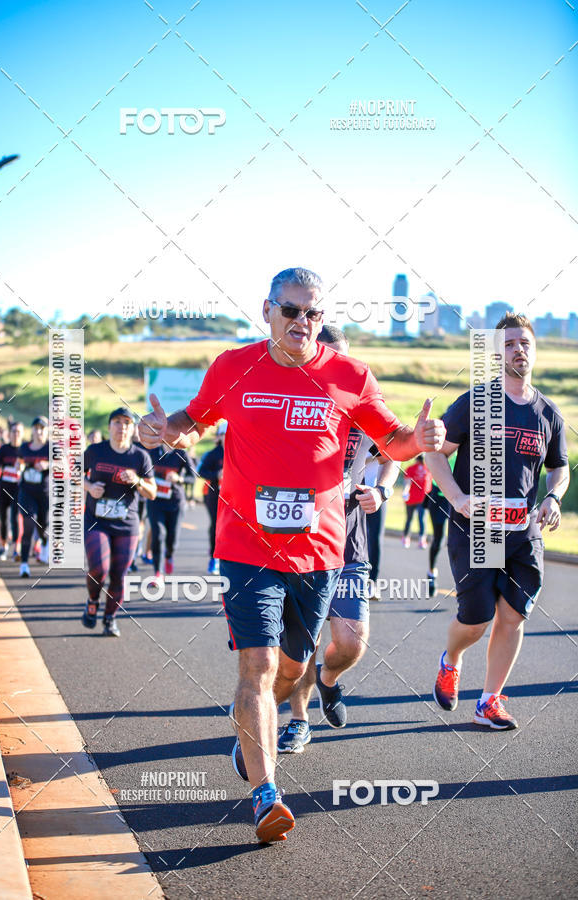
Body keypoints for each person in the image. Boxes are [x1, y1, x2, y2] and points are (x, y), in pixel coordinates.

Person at [138, 267, 445, 843]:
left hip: (321, 552)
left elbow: (393, 439)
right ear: (267, 310)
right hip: (245, 548)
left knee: (294, 669)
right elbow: (194, 419)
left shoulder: (350, 375)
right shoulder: (234, 366)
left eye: (313, 313)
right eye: (291, 310)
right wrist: (166, 430)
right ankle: (265, 795)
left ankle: (249, 738)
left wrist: (419, 441)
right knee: (256, 666)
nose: (302, 322)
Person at [427, 313, 569, 729]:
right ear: (495, 353)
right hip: (476, 530)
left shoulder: (549, 413)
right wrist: (455, 496)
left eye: (524, 343)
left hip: (524, 532)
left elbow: (560, 467)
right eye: (508, 345)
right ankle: (451, 660)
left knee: (513, 616)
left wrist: (554, 496)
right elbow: (434, 451)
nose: (518, 350)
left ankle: (489, 700)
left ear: (534, 349)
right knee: (477, 619)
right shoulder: (475, 401)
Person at [276, 325, 398, 753]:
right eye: (328, 355)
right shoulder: (289, 405)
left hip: (347, 540)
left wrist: (381, 490)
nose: (335, 365)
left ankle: (329, 679)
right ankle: (297, 721)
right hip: (295, 543)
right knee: (300, 642)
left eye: (342, 357)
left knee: (350, 642)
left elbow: (394, 453)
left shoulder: (361, 405)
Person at [82, 408, 156, 637]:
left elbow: (152, 493)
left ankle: (110, 618)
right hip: (98, 521)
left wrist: (137, 481)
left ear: (133, 429)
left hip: (127, 525)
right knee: (99, 568)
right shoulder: (95, 451)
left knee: (118, 574)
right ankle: (93, 600)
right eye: (116, 422)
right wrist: (89, 487)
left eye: (127, 422)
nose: (121, 426)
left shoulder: (140, 457)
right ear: (109, 426)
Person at [147, 444, 191, 582]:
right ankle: (158, 573)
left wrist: (179, 479)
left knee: (172, 538)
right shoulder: (152, 452)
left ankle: (169, 555)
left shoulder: (181, 454)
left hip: (175, 502)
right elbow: (141, 471)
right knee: (158, 535)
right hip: (155, 500)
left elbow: (193, 477)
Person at [17, 417, 50, 576]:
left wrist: (47, 465)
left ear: (47, 431)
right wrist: (19, 465)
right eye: (36, 428)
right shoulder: (24, 447)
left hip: (44, 493)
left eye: (42, 429)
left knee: (42, 525)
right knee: (29, 523)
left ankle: (44, 542)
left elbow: (63, 465)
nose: (39, 432)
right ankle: (24, 564)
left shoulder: (51, 448)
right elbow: (19, 462)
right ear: (32, 431)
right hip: (26, 492)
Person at [0, 421, 24, 560]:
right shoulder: (4, 449)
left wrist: (22, 468)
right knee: (3, 518)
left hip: (18, 488)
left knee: (15, 518)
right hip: (4, 487)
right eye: (13, 431)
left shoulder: (25, 449)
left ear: (22, 434)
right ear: (9, 433)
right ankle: (3, 546)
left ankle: (17, 548)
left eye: (18, 432)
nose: (15, 434)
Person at [198, 423, 225, 574]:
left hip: (235, 496)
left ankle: (231, 558)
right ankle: (213, 558)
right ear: (219, 437)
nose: (227, 437)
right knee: (216, 525)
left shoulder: (241, 452)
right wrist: (216, 474)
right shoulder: (213, 454)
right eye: (224, 434)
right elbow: (200, 471)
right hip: (214, 493)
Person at [365, 444, 393, 586]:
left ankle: (372, 582)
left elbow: (390, 458)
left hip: (375, 493)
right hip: (347, 494)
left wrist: (381, 491)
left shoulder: (374, 431)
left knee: (374, 538)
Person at [424, 481, 450, 597]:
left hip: (464, 497)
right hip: (440, 499)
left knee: (462, 542)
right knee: (439, 541)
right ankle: (431, 573)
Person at [401, 454, 432, 548]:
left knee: (410, 519)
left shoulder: (411, 468)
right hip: (422, 499)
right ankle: (421, 540)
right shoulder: (428, 469)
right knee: (422, 519)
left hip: (412, 498)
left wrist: (405, 492)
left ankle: (406, 539)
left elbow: (407, 483)